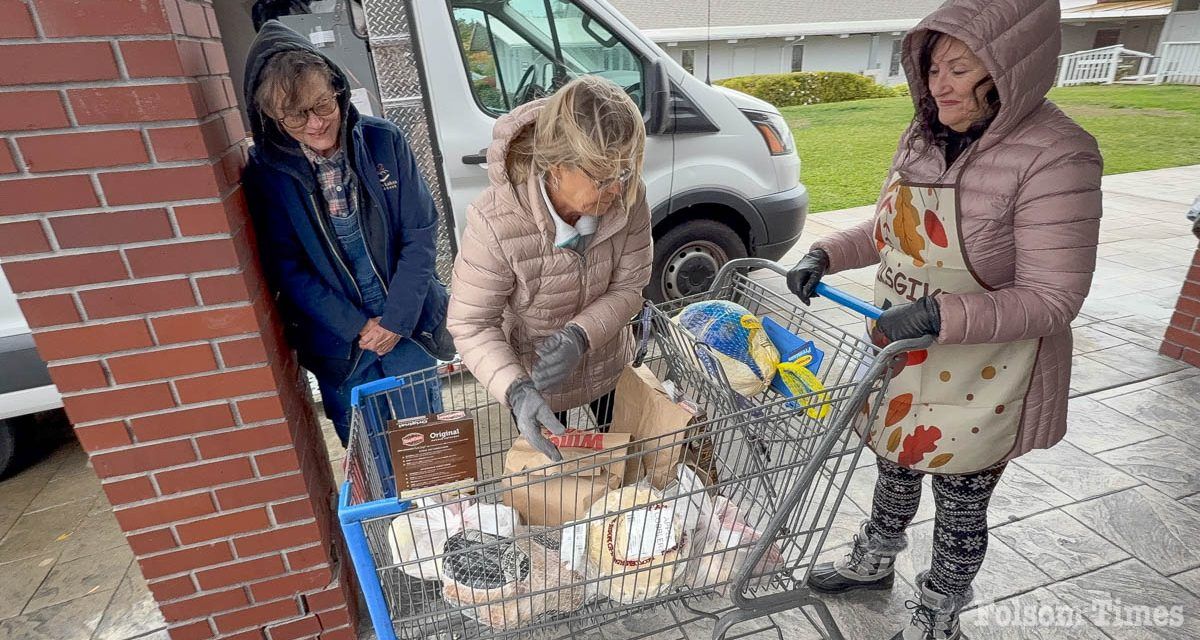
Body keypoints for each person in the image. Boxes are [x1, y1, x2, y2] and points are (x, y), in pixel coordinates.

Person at [787, 1, 1103, 638]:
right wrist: (827, 254)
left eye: (961, 68)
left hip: (988, 369)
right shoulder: (924, 135)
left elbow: (1052, 298)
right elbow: (889, 232)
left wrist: (939, 312)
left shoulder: (1059, 155)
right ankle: (874, 561)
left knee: (960, 502)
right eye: (934, 67)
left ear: (1009, 67)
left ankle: (939, 611)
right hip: (908, 352)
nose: (940, 84)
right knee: (895, 461)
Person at [242, 21, 453, 446]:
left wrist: (395, 320)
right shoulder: (268, 174)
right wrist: (357, 325)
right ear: (271, 117)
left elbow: (420, 232)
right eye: (296, 116)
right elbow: (288, 268)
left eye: (323, 105)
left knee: (426, 446)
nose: (316, 124)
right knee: (370, 453)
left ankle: (440, 514)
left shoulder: (384, 141)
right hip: (339, 335)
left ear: (337, 90)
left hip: (406, 317)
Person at [447, 76, 652, 463]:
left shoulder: (628, 197)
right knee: (552, 478)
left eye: (625, 173)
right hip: (536, 377)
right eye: (602, 176)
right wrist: (516, 388)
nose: (616, 190)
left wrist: (580, 333)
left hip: (608, 362)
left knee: (627, 466)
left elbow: (630, 286)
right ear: (555, 166)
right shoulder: (495, 221)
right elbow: (472, 323)